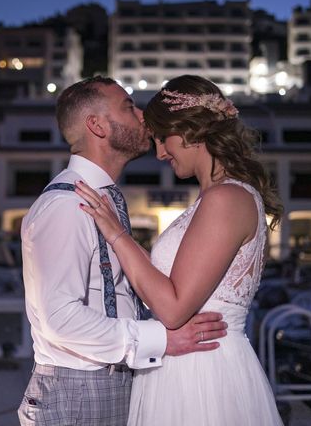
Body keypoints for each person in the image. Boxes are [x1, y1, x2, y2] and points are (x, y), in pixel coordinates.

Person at [18, 76, 228, 425]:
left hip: (110, 381)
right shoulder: (66, 205)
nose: (143, 116)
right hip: (79, 391)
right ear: (97, 126)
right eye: (128, 107)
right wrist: (161, 338)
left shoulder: (102, 199)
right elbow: (60, 319)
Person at [76, 75, 284, 425]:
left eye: (161, 138)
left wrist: (116, 235)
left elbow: (173, 309)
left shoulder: (226, 198)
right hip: (186, 362)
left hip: (203, 372)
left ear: (189, 130)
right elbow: (170, 282)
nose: (159, 153)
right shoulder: (214, 196)